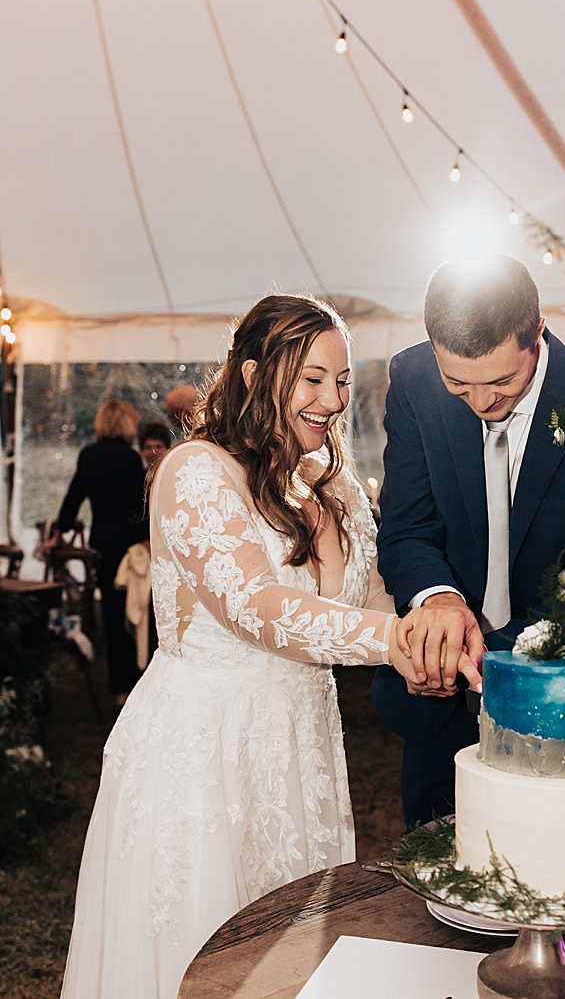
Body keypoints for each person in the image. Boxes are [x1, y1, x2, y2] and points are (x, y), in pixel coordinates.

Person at [60, 294, 478, 999]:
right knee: (206, 956)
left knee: (291, 958)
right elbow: (259, 608)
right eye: (311, 379)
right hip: (203, 751)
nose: (332, 399)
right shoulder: (194, 472)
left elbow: (366, 597)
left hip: (300, 742)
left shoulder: (335, 479)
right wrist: (391, 640)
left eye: (342, 380)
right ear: (255, 375)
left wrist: (418, 645)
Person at [373, 254, 565, 826]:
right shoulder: (413, 382)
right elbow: (406, 527)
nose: (480, 403)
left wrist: (506, 662)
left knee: (564, 872)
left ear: (538, 333)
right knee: (440, 876)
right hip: (443, 685)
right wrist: (439, 600)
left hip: (562, 686)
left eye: (502, 381)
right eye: (459, 383)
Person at [52, 400, 151, 704]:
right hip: (131, 549)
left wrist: (59, 530)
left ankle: (120, 691)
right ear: (125, 424)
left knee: (112, 619)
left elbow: (74, 497)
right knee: (139, 616)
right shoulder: (130, 459)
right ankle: (140, 688)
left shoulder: (89, 456)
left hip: (104, 548)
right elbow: (138, 509)